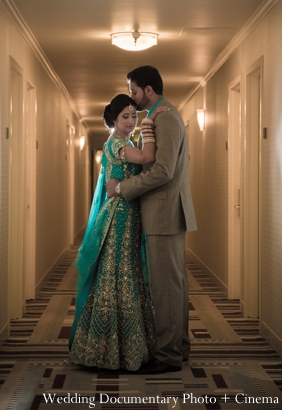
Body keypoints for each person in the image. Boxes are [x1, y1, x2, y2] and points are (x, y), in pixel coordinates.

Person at [107, 66, 197, 374]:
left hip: (164, 213)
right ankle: (179, 347)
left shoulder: (167, 117)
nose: (131, 97)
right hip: (166, 212)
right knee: (174, 285)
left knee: (166, 288)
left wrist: (122, 188)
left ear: (148, 90)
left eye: (133, 91)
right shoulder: (158, 116)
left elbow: (163, 170)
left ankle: (169, 356)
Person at [69, 93, 165, 372]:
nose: (132, 121)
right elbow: (148, 157)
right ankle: (112, 349)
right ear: (113, 119)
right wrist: (149, 125)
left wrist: (143, 125)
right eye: (126, 116)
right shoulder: (119, 143)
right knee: (120, 274)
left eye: (134, 116)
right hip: (120, 216)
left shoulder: (117, 142)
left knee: (124, 272)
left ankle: (120, 346)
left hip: (127, 214)